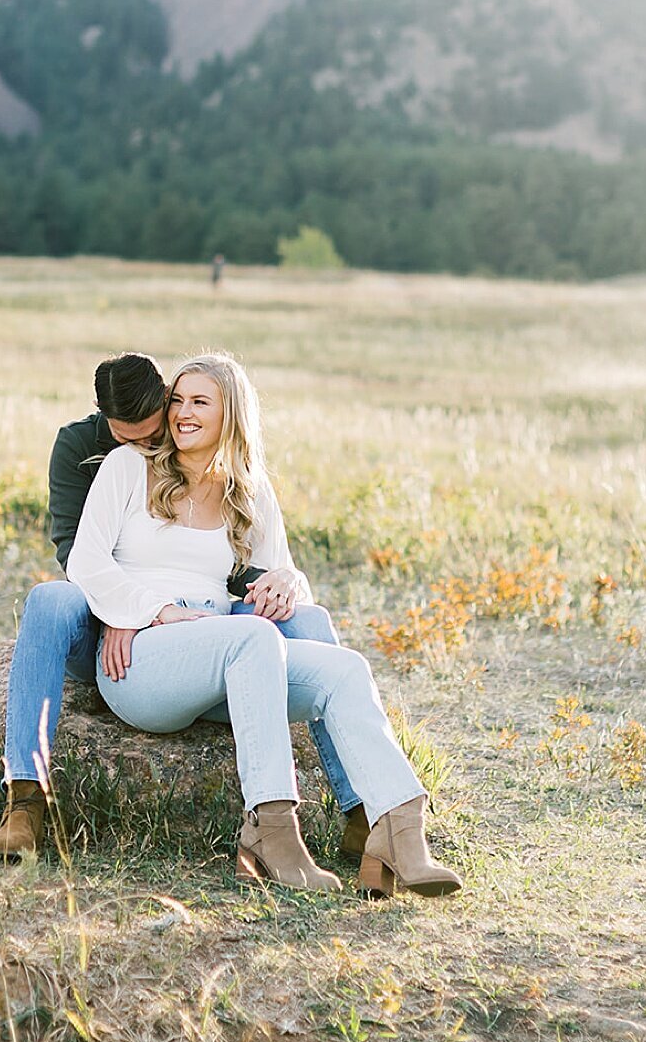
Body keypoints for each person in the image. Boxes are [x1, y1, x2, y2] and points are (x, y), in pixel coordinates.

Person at [55, 352, 460, 897]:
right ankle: (272, 831)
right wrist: (149, 610)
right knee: (253, 637)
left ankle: (399, 831)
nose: (182, 413)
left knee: (344, 670)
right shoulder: (127, 466)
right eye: (178, 400)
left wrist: (289, 580)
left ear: (231, 413)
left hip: (228, 662)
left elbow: (280, 573)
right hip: (142, 663)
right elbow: (86, 562)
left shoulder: (249, 489)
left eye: (201, 402)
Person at [0, 352, 370, 862]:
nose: (150, 444)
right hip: (107, 605)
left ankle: (363, 813)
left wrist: (284, 581)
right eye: (132, 437)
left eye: (157, 428)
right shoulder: (85, 449)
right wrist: (133, 615)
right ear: (106, 422)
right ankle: (25, 801)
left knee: (309, 619)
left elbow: (248, 562)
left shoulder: (196, 446)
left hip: (196, 616)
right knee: (49, 600)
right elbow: (79, 557)